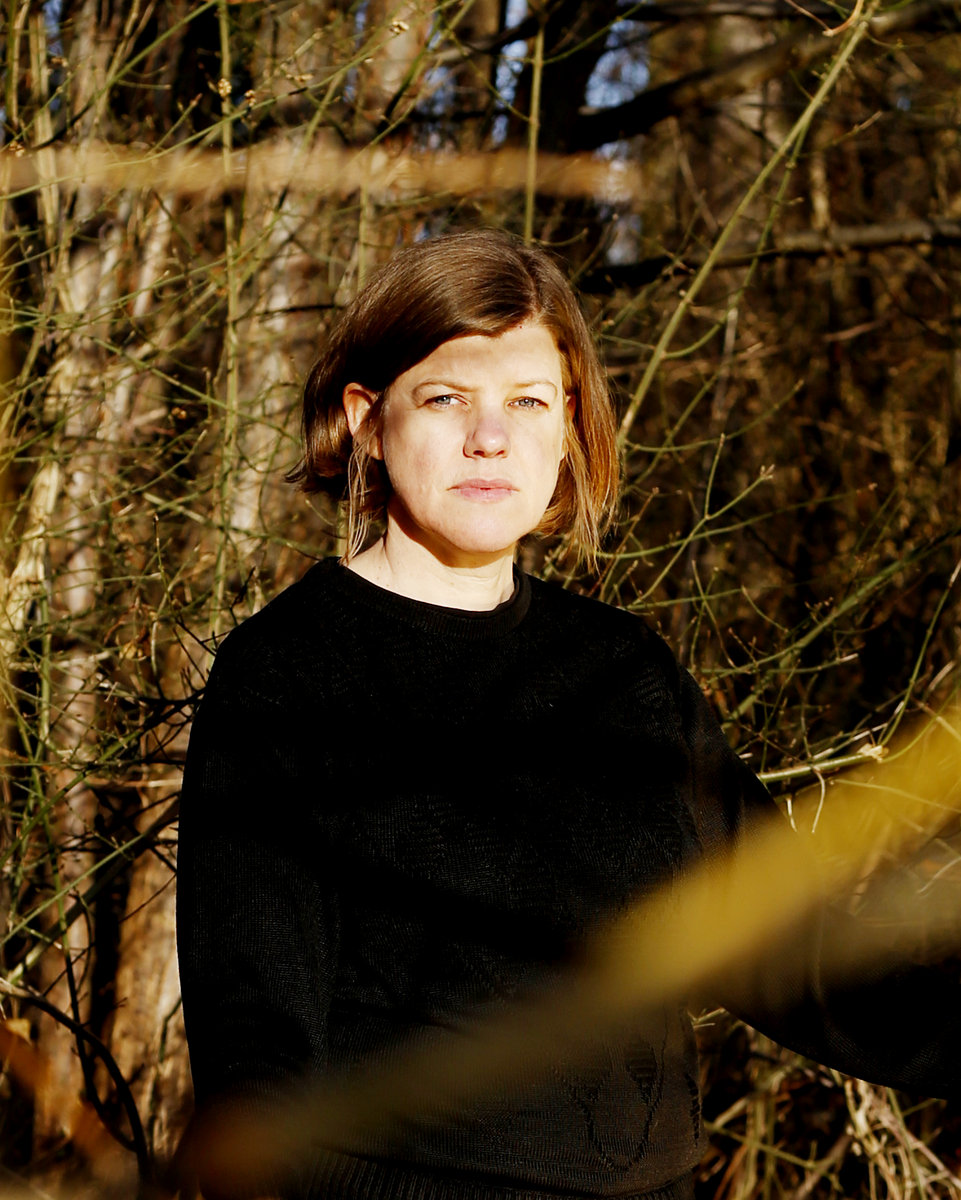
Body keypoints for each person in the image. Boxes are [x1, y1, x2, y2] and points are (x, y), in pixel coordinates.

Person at [176, 229, 960, 1200]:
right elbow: (254, 1035)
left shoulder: (622, 674)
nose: (490, 438)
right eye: (446, 398)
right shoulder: (289, 677)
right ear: (367, 421)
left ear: (568, 427)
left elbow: (788, 950)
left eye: (528, 401)